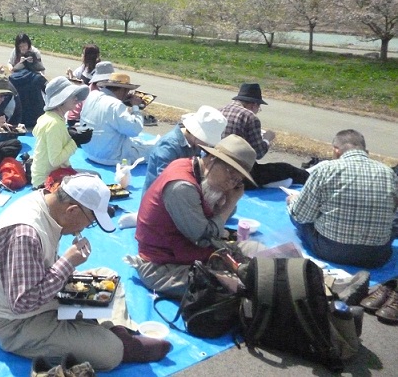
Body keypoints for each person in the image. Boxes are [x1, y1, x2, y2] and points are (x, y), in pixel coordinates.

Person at [0, 173, 171, 371]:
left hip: (43, 298)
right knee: (110, 353)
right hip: (18, 323)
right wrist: (67, 262)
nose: (85, 228)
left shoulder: (46, 203)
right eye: (89, 222)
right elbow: (23, 303)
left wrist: (66, 271)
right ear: (72, 210)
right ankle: (113, 339)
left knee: (107, 276)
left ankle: (117, 332)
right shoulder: (25, 233)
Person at [130, 135, 263, 299]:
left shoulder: (195, 169)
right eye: (230, 173)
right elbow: (203, 238)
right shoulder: (182, 186)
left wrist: (223, 204)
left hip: (190, 253)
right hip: (163, 267)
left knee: (258, 252)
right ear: (212, 159)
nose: (231, 183)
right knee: (242, 288)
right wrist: (229, 205)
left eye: (238, 179)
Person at [287, 129, 398, 268]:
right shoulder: (389, 173)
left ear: (336, 150)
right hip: (377, 255)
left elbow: (302, 215)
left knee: (296, 213)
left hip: (331, 250)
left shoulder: (326, 170)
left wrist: (292, 201)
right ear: (365, 151)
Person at [220, 83, 309, 187]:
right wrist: (267, 139)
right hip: (242, 173)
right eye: (259, 108)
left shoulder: (220, 110)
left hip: (218, 168)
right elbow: (258, 153)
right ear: (254, 105)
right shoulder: (250, 117)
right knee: (287, 169)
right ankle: (313, 181)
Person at [142, 106, 227, 192]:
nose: (207, 144)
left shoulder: (194, 143)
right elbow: (165, 181)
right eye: (206, 140)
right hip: (161, 196)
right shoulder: (168, 146)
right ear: (196, 134)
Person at [79, 73, 157, 166]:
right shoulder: (116, 105)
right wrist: (136, 107)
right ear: (123, 90)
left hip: (88, 151)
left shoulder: (92, 95)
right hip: (110, 157)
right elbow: (135, 129)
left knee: (136, 142)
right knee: (156, 148)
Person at [31, 77, 91, 188]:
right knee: (94, 182)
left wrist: (68, 135)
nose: (76, 99)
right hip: (47, 183)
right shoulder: (54, 123)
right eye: (72, 96)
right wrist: (74, 142)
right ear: (60, 101)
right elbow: (55, 161)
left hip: (42, 177)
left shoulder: (48, 117)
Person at [66, 61, 114, 125]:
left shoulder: (109, 91)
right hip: (76, 123)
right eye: (105, 80)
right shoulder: (89, 92)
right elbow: (72, 118)